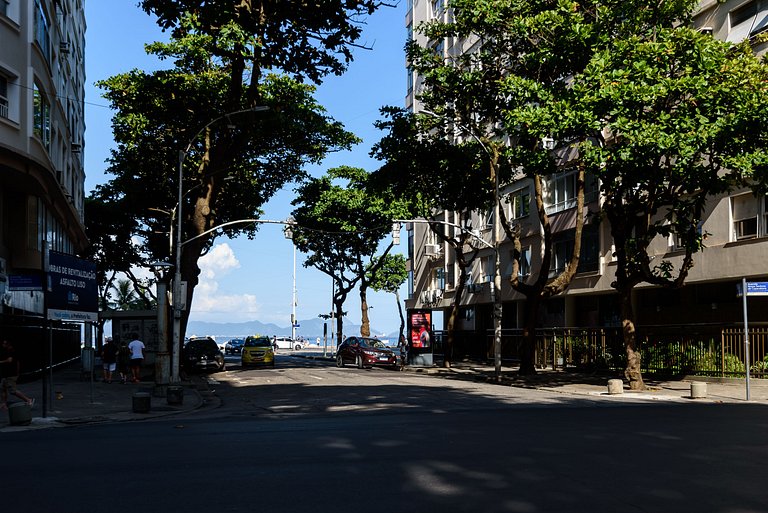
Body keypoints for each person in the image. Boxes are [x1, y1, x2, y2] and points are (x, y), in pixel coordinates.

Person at [0, 339, 34, 409]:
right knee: (3, 389)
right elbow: (18, 362)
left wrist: (0, 362)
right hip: (6, 373)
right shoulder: (7, 351)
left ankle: (28, 400)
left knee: (13, 390)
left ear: (8, 344)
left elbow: (10, 360)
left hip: (10, 374)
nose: (2, 345)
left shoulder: (11, 351)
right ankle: (3, 404)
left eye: (4, 344)